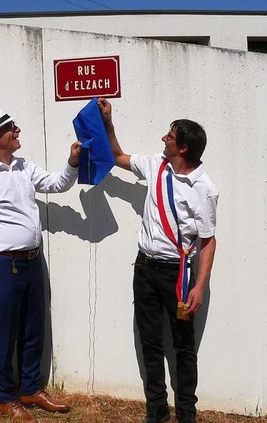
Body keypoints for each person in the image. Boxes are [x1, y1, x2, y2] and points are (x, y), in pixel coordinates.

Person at [98, 98, 218, 423]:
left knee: (182, 347)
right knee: (150, 342)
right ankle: (156, 409)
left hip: (177, 276)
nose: (162, 139)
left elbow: (207, 242)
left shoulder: (203, 189)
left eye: (169, 136)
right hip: (145, 269)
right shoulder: (156, 165)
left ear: (182, 148)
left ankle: (187, 413)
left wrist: (200, 287)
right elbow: (116, 156)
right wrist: (108, 122)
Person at [0, 105, 81, 423]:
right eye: (11, 127)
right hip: (2, 264)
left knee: (33, 327)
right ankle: (5, 397)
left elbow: (56, 184)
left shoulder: (23, 167)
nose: (17, 131)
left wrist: (71, 163)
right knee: (5, 331)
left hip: (31, 261)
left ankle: (29, 389)